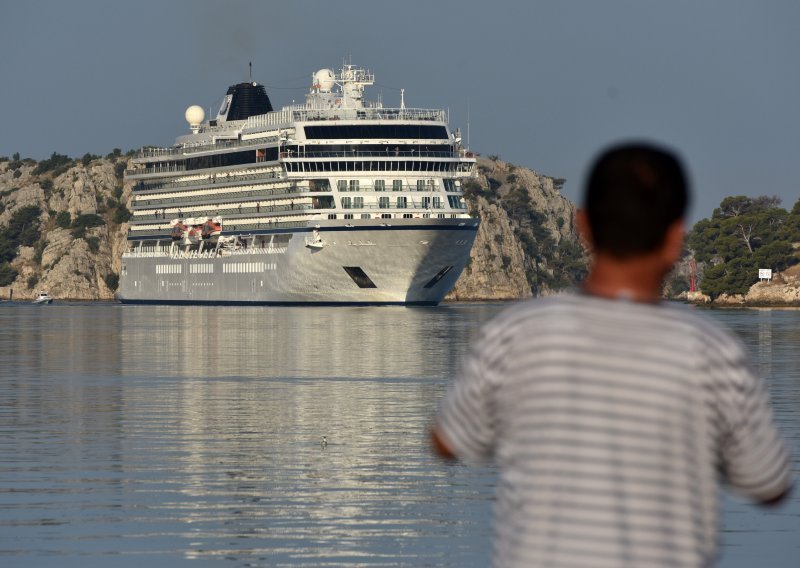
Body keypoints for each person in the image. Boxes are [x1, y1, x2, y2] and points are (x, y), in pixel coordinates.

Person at [432, 142, 793, 568]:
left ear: (582, 226)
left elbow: (447, 441)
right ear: (676, 237)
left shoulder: (516, 335)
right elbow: (769, 483)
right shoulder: (713, 352)